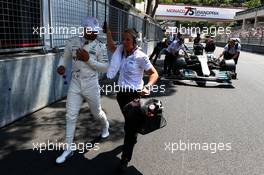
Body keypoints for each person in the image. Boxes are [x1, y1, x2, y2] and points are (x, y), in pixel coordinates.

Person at [56, 16, 110, 164]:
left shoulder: (100, 46)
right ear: (84, 29)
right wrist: (61, 66)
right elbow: (65, 57)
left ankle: (105, 125)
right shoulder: (72, 42)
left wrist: (88, 59)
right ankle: (68, 149)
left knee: (96, 112)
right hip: (75, 82)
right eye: (91, 31)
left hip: (91, 83)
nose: (94, 34)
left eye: (95, 31)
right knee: (70, 115)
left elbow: (105, 67)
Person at [106, 27, 159, 173]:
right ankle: (133, 133)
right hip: (121, 96)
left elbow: (154, 74)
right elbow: (111, 46)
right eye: (123, 38)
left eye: (128, 39)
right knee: (130, 124)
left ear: (135, 41)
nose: (124, 41)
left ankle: (125, 159)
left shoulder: (141, 57)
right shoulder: (121, 51)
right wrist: (109, 33)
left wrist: (148, 86)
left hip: (134, 96)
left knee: (129, 128)